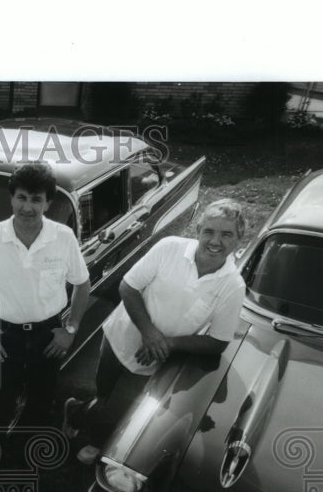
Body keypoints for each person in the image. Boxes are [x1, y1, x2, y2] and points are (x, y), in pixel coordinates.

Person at [64, 198, 247, 464]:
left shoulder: (233, 285)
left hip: (156, 359)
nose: (215, 241)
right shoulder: (169, 247)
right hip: (118, 339)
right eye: (209, 231)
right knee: (104, 395)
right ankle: (78, 410)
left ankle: (96, 440)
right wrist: (149, 333)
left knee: (123, 407)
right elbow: (128, 286)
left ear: (238, 240)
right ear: (197, 232)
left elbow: (218, 341)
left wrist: (167, 344)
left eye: (226, 234)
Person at [0, 161, 91, 435]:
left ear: (47, 203)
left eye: (37, 200)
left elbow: (82, 283)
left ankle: (27, 454)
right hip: (5, 336)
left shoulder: (64, 237)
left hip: (49, 336)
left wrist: (70, 329)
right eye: (21, 197)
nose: (27, 207)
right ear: (11, 197)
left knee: (41, 403)